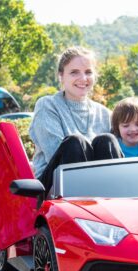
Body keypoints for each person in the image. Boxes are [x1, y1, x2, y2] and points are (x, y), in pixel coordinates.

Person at [29, 46, 123, 193]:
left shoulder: (104, 113)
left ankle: (117, 200)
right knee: (75, 142)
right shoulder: (47, 105)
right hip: (55, 187)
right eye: (74, 72)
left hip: (101, 188)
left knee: (107, 140)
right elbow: (55, 153)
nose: (83, 78)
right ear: (61, 76)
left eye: (88, 72)